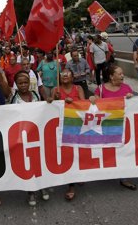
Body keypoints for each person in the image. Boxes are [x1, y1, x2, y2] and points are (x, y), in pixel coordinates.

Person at [0, 58, 49, 205]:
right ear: (16, 84)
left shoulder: (36, 96)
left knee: (39, 163)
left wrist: (54, 101)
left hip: (36, 137)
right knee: (26, 165)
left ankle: (42, 186)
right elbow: (2, 83)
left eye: (25, 82)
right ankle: (31, 192)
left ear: (30, 83)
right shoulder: (12, 96)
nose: (23, 85)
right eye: (20, 83)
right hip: (20, 138)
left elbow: (45, 110)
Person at [92, 65, 136, 190]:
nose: (123, 76)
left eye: (122, 74)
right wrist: (92, 100)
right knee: (106, 150)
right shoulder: (100, 89)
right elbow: (94, 105)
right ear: (111, 76)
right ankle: (105, 171)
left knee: (123, 150)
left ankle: (124, 178)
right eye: (120, 74)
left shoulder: (127, 88)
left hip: (122, 125)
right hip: (105, 126)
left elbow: (134, 107)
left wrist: (131, 98)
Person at [51, 69, 86, 201]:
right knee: (68, 156)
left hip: (77, 126)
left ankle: (80, 176)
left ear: (72, 77)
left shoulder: (78, 88)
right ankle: (71, 185)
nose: (64, 75)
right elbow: (50, 106)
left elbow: (84, 104)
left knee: (79, 154)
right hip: (62, 127)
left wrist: (75, 103)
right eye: (62, 74)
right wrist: (55, 98)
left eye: (67, 74)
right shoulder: (56, 89)